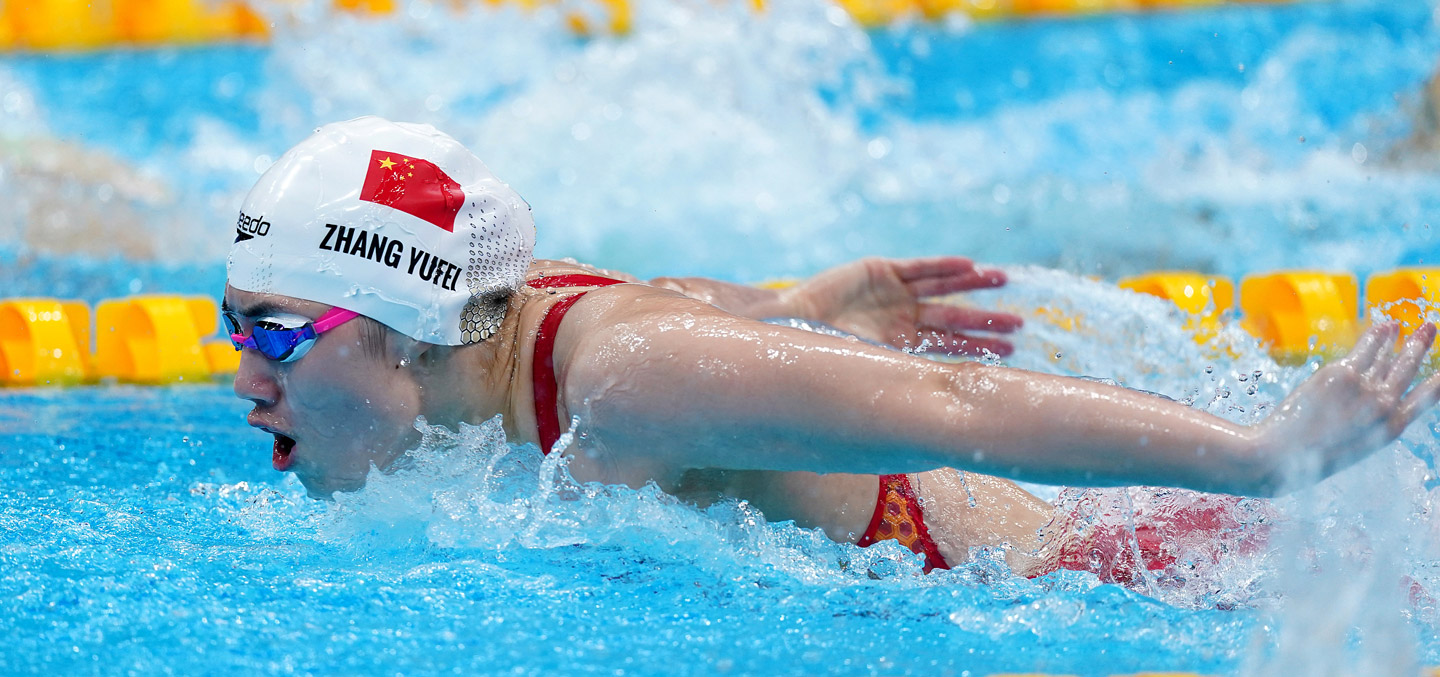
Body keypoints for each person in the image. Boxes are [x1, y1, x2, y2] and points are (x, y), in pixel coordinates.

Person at [225, 117, 1440, 578]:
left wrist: (1258, 451)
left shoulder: (625, 381)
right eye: (237, 324)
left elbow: (963, 407)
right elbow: (682, 310)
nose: (247, 374)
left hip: (1114, 563)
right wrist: (788, 320)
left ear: (420, 322)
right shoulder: (508, 318)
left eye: (279, 330)